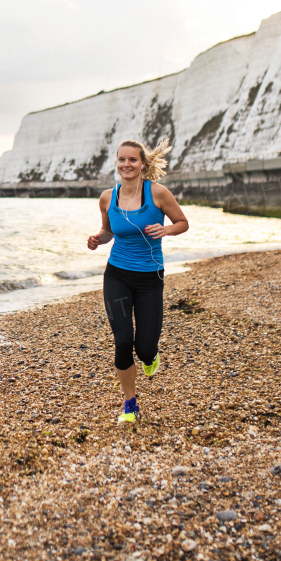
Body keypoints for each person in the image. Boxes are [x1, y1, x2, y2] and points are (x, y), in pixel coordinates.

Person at [86, 139, 190, 424]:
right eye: (122, 160)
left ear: (142, 164)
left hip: (150, 279)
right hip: (117, 274)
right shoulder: (108, 197)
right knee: (122, 341)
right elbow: (108, 231)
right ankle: (130, 404)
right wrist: (98, 239)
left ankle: (150, 356)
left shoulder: (157, 193)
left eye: (132, 160)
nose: (127, 165)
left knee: (144, 348)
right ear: (116, 163)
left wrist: (166, 229)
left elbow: (183, 222)